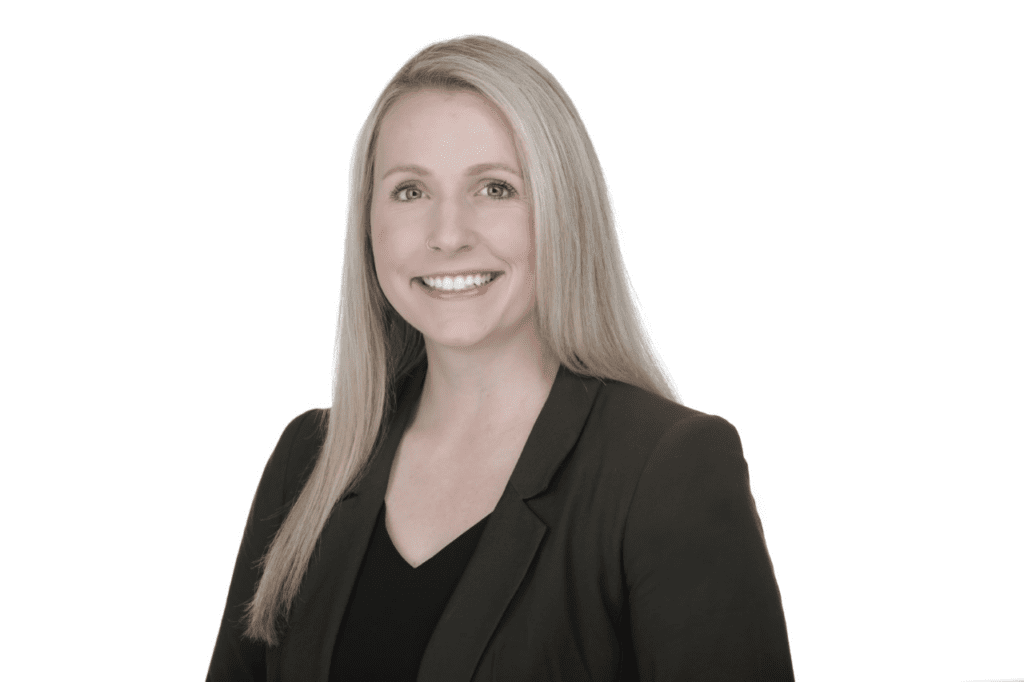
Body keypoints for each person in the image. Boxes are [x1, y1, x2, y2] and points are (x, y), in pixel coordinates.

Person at [207, 35, 794, 681]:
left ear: (564, 210)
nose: (448, 235)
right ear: (368, 221)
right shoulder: (308, 462)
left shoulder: (667, 471)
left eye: (494, 188)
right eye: (410, 191)